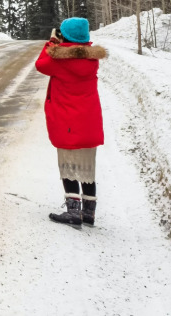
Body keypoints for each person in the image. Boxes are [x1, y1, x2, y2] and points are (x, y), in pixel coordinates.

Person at [34, 16, 107, 228]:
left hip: (66, 122)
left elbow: (40, 65)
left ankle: (73, 213)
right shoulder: (92, 59)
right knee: (87, 168)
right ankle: (89, 213)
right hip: (89, 122)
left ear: (64, 35)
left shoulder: (59, 60)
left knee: (68, 165)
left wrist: (51, 44)